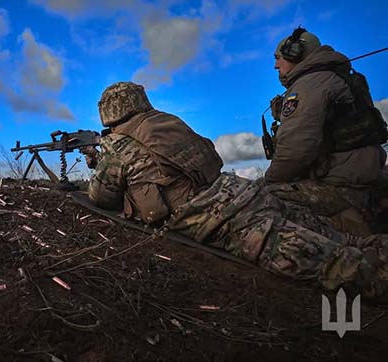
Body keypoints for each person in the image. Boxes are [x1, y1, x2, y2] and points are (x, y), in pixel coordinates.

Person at [84, 81, 388, 303]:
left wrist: (100, 161)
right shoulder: (167, 122)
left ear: (108, 114)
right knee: (339, 238)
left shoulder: (119, 145)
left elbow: (102, 197)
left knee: (330, 264)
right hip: (237, 191)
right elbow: (208, 158)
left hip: (216, 218)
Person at [265, 27, 388, 236]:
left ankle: (349, 224)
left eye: (278, 58)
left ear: (294, 52)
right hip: (364, 177)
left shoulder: (309, 84)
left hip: (341, 187)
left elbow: (295, 150)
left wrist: (268, 181)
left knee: (259, 197)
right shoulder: (335, 77)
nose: (276, 65)